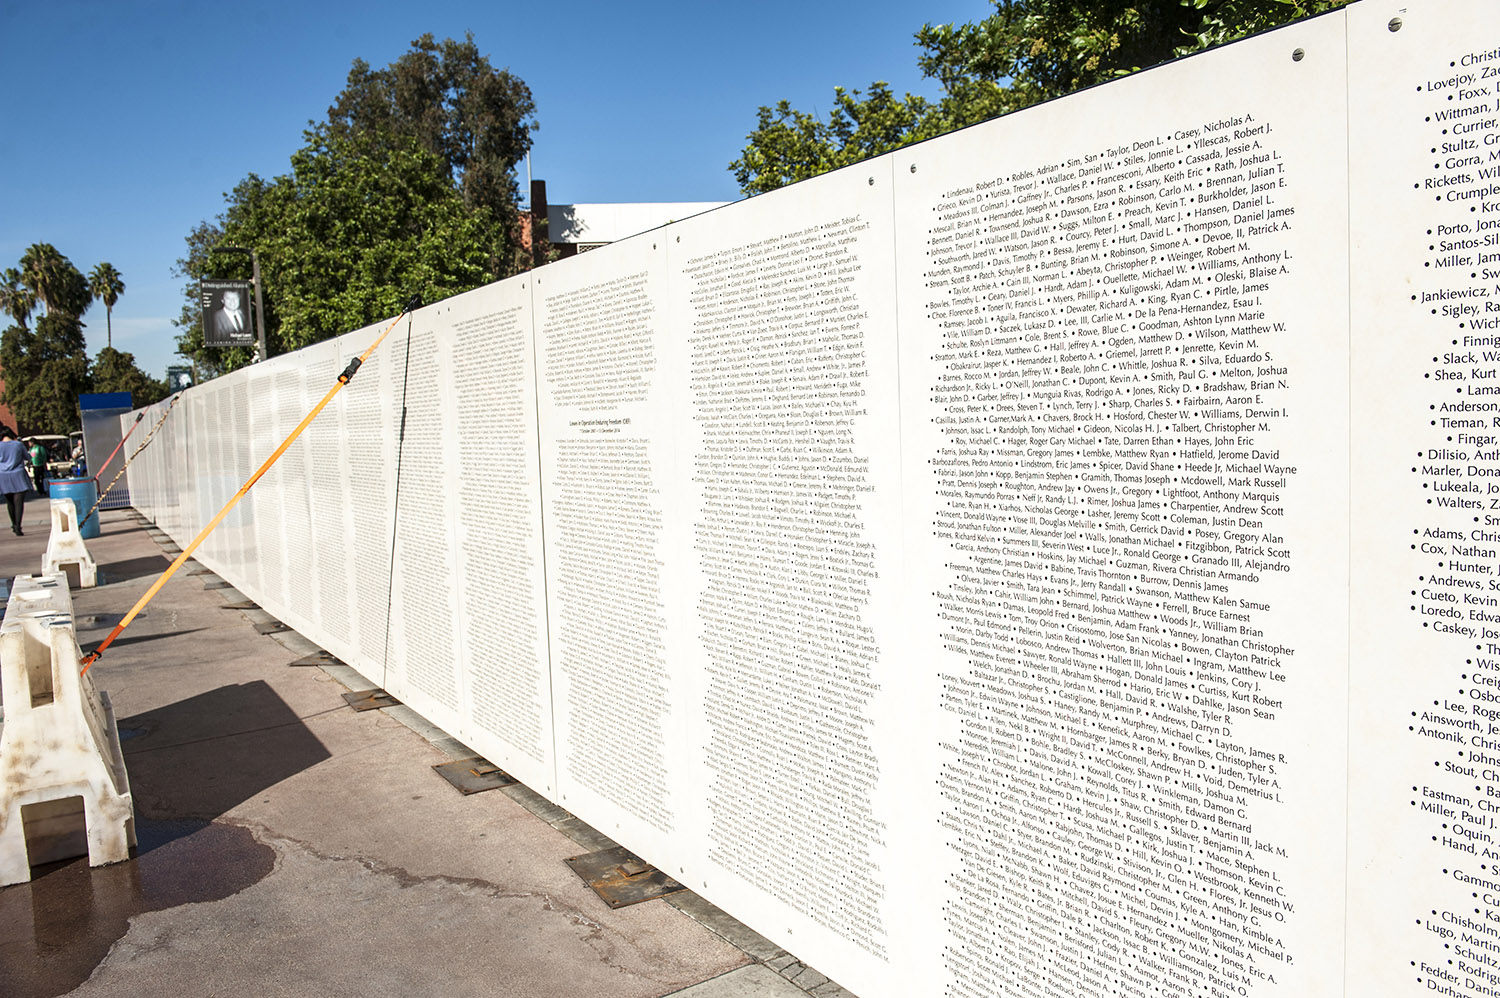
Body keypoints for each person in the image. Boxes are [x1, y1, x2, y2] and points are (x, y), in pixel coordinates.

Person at [0, 428, 33, 535]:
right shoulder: (18, 445)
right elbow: (27, 457)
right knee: (18, 502)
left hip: (3, 475)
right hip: (18, 474)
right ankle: (18, 526)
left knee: (9, 502)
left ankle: (13, 523)